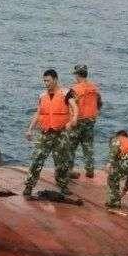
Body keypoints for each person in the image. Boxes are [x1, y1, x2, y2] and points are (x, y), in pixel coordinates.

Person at [24, 69, 78, 197]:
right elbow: (38, 113)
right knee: (36, 159)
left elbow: (74, 107)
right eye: (44, 81)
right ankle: (29, 186)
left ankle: (63, 185)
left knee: (62, 162)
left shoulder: (66, 93)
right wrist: (30, 129)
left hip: (61, 133)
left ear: (55, 79)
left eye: (48, 80)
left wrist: (73, 120)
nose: (46, 83)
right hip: (45, 133)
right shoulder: (42, 96)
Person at [67, 64, 102, 179]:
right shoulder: (94, 88)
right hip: (90, 120)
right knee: (88, 146)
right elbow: (99, 103)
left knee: (71, 146)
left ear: (77, 75)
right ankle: (90, 170)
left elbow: (68, 104)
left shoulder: (74, 89)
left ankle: (69, 169)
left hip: (78, 120)